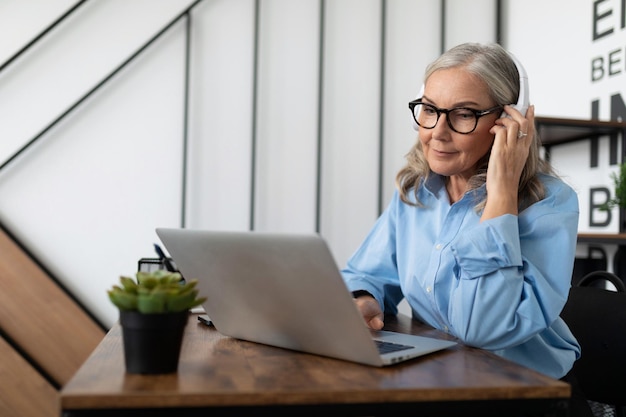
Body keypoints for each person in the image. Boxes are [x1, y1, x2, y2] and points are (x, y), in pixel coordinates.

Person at [341, 43, 592, 417]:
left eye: (464, 115)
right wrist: (364, 299)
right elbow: (366, 272)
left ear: (511, 121)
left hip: (527, 396)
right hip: (445, 381)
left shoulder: (549, 205)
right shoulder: (417, 192)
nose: (437, 133)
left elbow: (484, 328)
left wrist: (501, 194)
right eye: (429, 110)